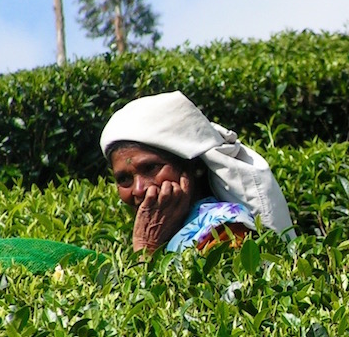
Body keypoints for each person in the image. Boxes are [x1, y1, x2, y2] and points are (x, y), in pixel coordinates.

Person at [100, 91, 295, 254]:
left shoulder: (227, 231)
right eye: (124, 179)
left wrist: (146, 247)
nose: (139, 189)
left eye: (151, 168)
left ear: (194, 167)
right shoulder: (164, 230)